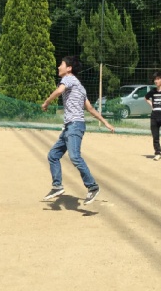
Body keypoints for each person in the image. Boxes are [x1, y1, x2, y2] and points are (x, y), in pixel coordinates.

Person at [41, 55, 115, 204]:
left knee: (75, 157)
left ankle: (92, 187)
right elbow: (90, 109)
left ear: (69, 68)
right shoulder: (80, 86)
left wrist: (46, 102)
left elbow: (59, 91)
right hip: (70, 127)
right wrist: (105, 122)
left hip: (74, 126)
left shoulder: (68, 79)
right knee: (53, 155)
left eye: (61, 64)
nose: (58, 67)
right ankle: (57, 186)